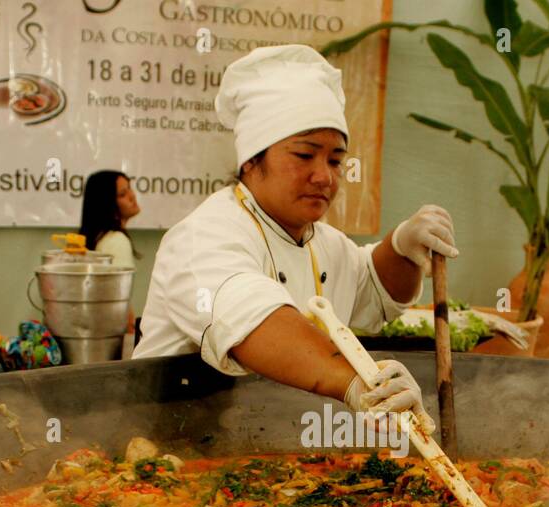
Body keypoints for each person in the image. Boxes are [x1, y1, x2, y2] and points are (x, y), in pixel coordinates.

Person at [132, 44, 458, 429]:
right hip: (167, 448)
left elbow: (371, 288)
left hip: (268, 443)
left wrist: (403, 246)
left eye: (335, 160)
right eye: (304, 155)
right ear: (251, 161)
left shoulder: (324, 242)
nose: (325, 177)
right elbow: (251, 320)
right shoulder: (203, 236)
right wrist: (361, 383)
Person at [79, 170, 141, 271]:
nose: (132, 196)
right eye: (122, 194)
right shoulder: (117, 241)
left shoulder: (100, 237)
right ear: (107, 204)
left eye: (129, 188)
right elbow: (119, 286)